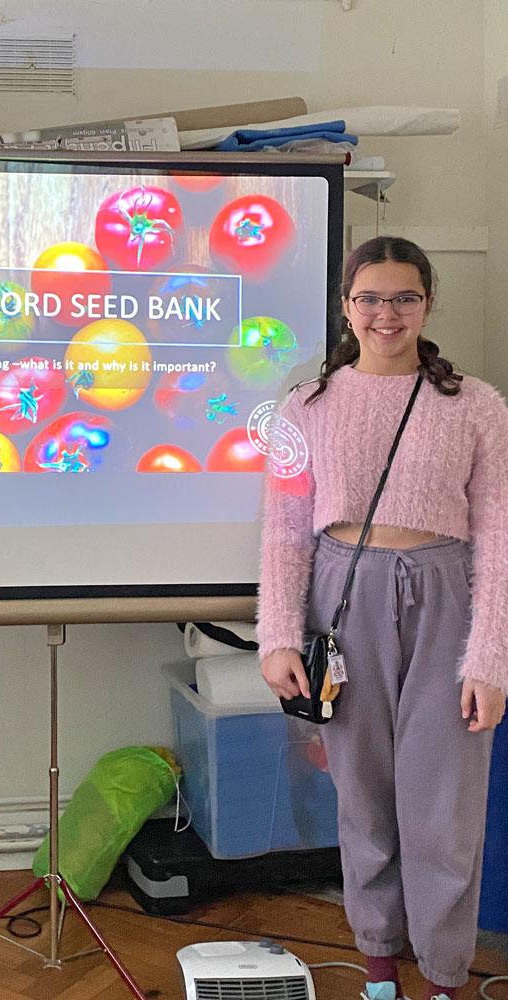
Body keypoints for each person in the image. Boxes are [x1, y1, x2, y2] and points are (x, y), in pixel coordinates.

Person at [257, 236, 508, 1000]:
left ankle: (441, 978)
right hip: (342, 599)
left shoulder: (477, 405)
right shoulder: (305, 407)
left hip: (446, 597)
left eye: (404, 297)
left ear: (428, 303)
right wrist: (275, 635)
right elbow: (282, 527)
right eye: (370, 298)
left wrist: (490, 659)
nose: (386, 313)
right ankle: (377, 969)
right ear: (345, 307)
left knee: (444, 810)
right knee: (362, 799)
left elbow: (498, 533)